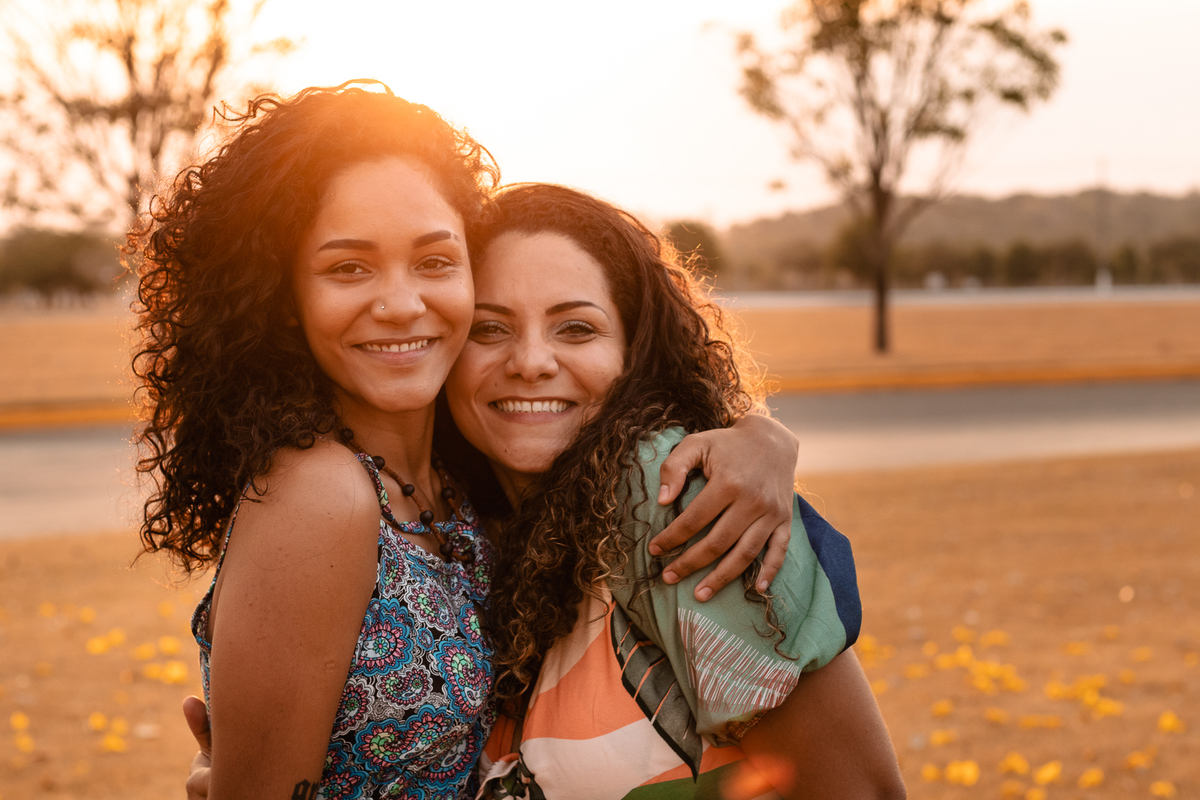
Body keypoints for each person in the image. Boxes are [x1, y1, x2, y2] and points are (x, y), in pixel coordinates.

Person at [133, 82, 802, 799]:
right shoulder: (321, 494)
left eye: (434, 261)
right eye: (348, 267)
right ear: (283, 298)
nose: (400, 304)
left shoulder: (464, 481)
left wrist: (761, 438)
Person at [443, 184, 905, 799]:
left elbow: (859, 792)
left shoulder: (674, 501)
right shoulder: (463, 516)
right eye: (489, 328)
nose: (530, 361)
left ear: (635, 353)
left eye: (576, 328)